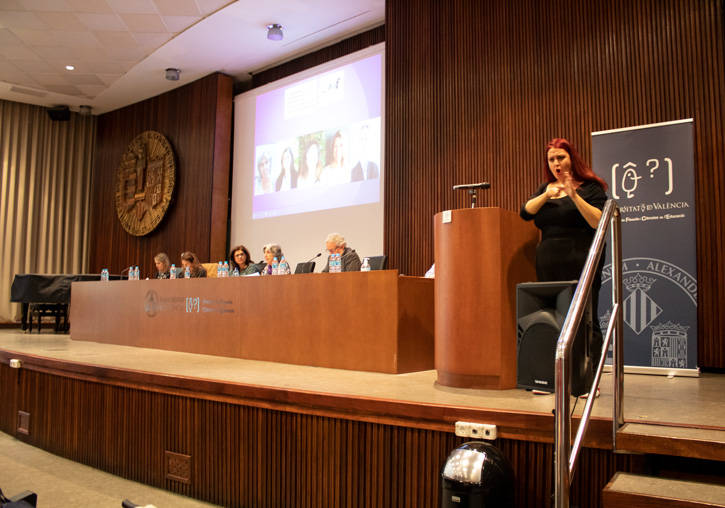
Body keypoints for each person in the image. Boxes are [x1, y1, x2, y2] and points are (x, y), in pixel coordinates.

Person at [520, 137, 608, 361]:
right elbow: (526, 212)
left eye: (561, 157)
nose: (556, 163)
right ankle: (553, 374)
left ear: (572, 158)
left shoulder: (591, 188)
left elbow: (597, 221)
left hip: (580, 259)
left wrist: (573, 195)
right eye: (551, 159)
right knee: (550, 316)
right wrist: (547, 194)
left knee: (585, 317)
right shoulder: (545, 189)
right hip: (548, 260)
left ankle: (587, 378)